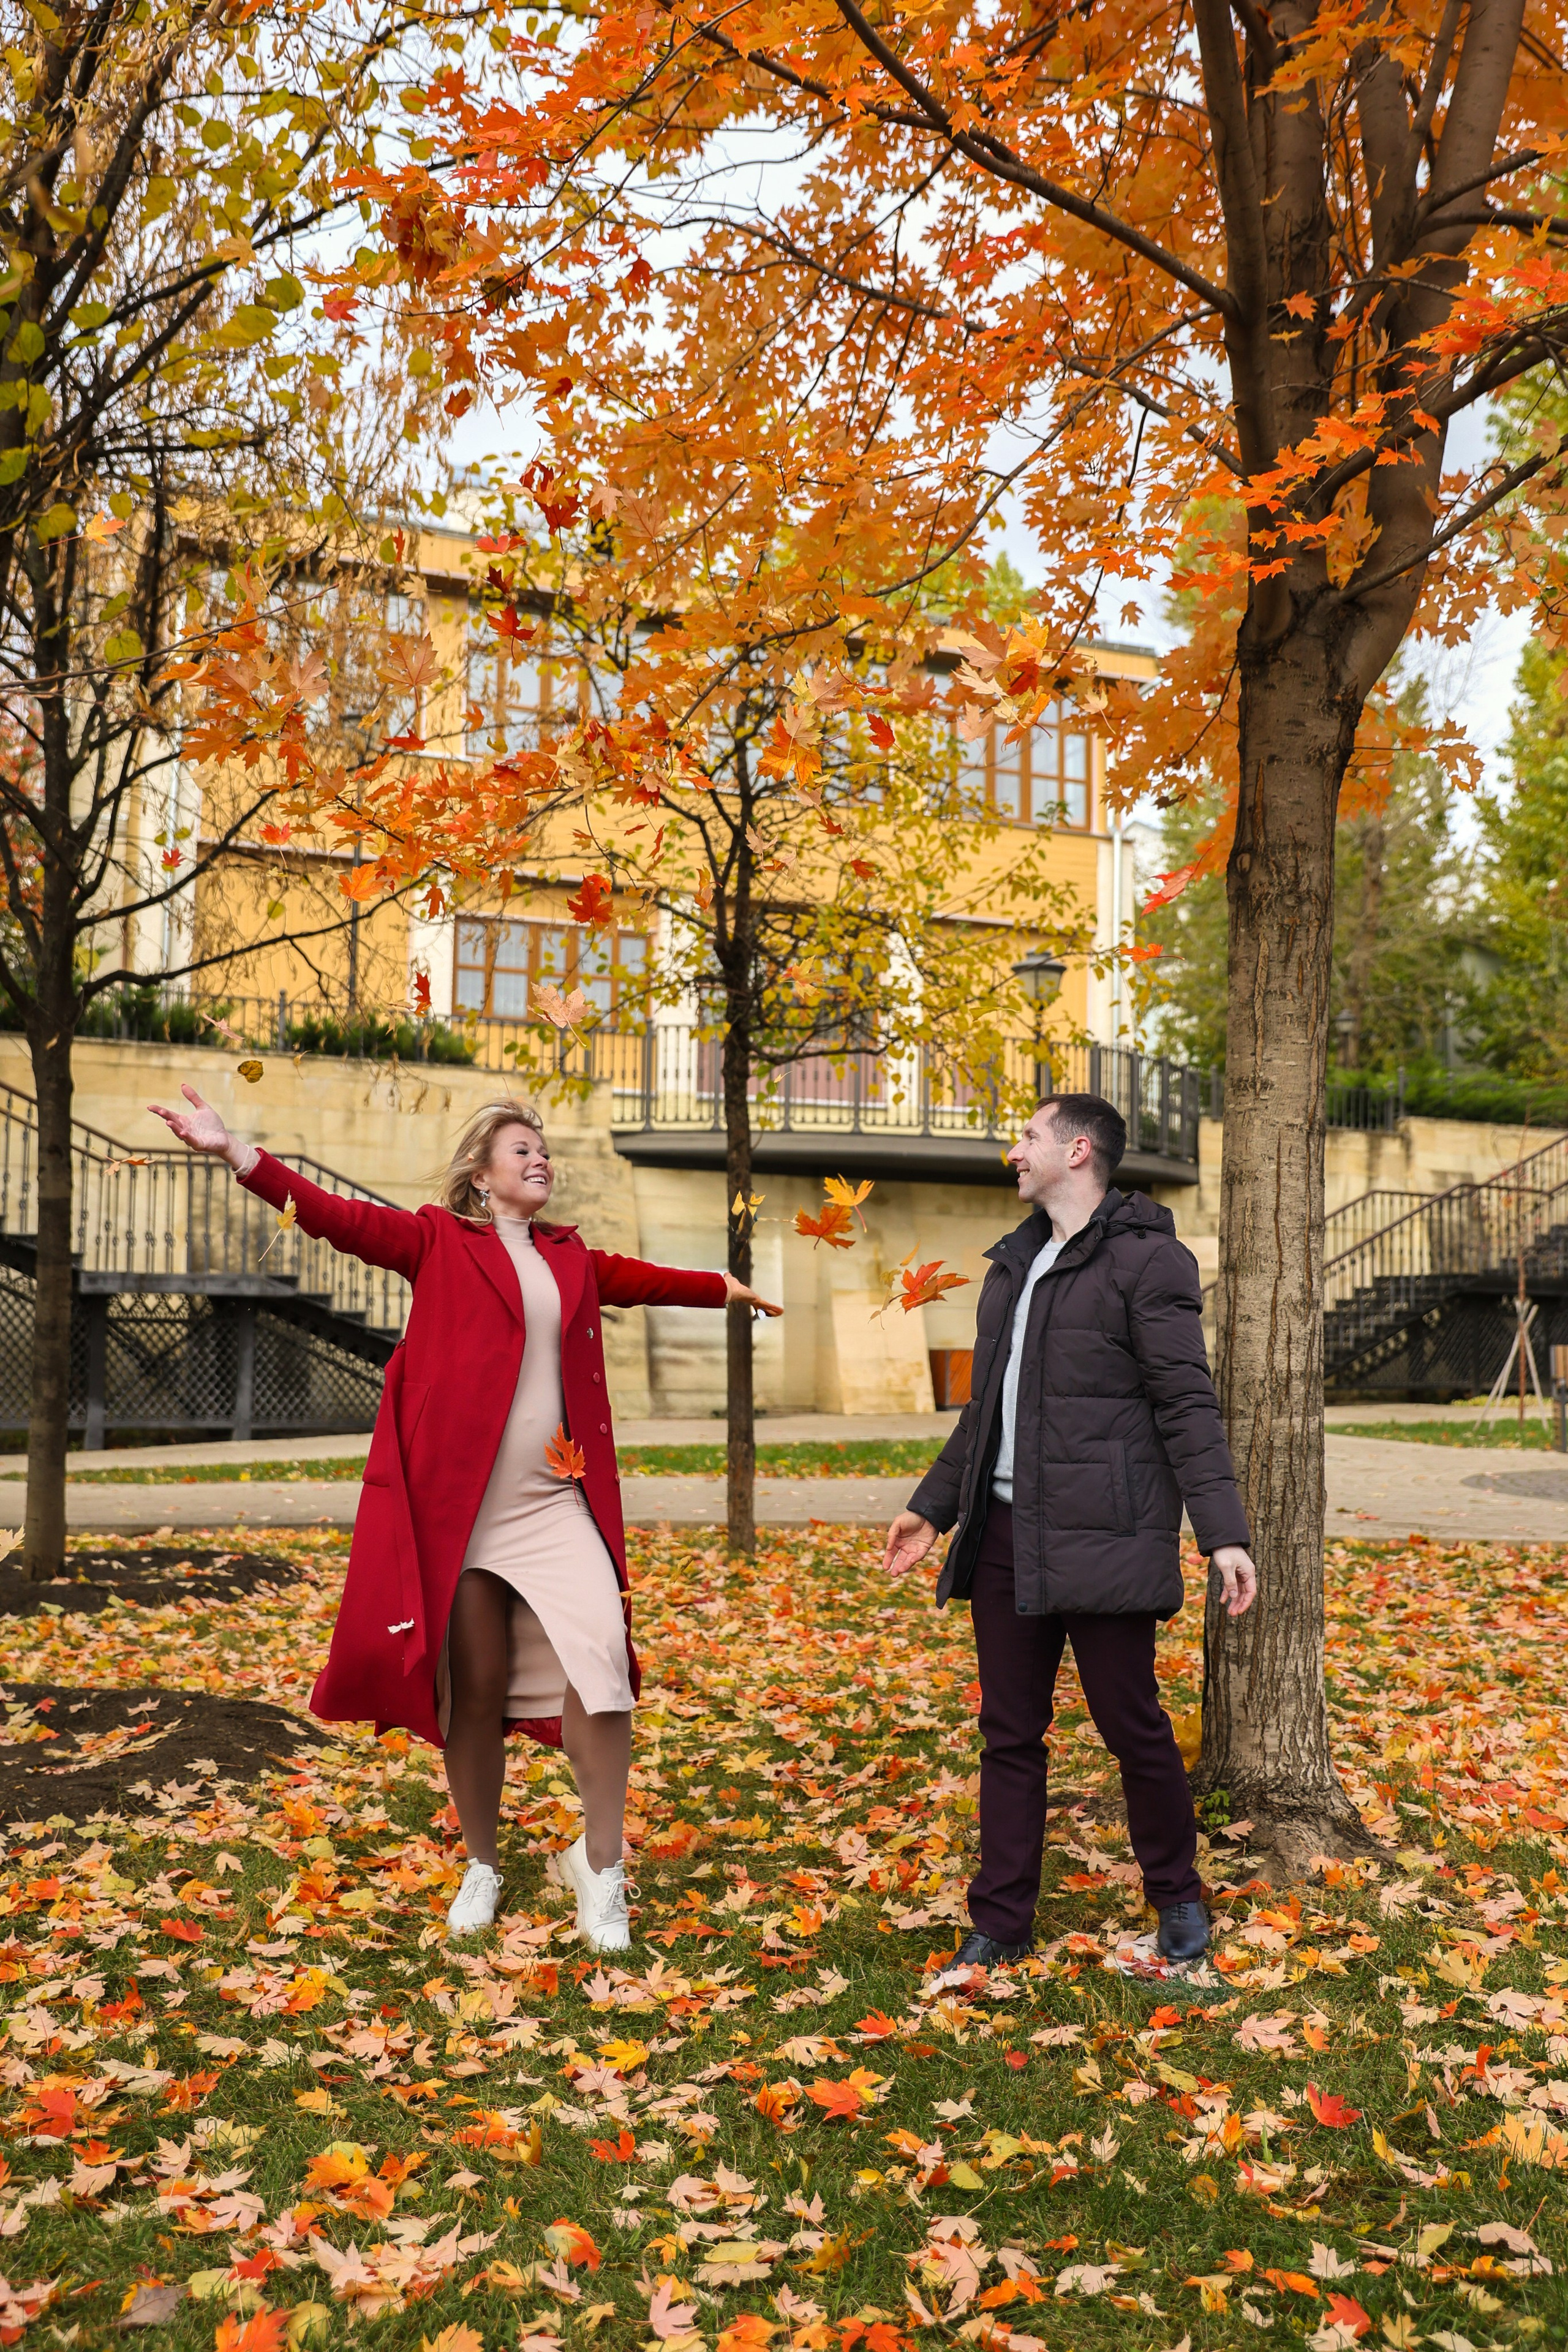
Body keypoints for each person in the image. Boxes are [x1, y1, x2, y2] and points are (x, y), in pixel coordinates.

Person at [149, 1085, 780, 1945]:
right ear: (481, 1176)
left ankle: (601, 1869)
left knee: (601, 1658)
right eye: (521, 1149)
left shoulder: (569, 1256)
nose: (540, 1159)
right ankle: (482, 1864)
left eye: (543, 1147)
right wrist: (237, 1154)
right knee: (474, 1690)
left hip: (558, 1502)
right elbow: (337, 1219)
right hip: (467, 1515)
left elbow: (639, 1280)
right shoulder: (435, 1240)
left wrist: (726, 1288)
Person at [882, 1093, 1255, 1967]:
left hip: (1106, 1535)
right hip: (1007, 1537)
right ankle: (1000, 1925)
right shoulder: (1014, 1263)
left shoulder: (1149, 1262)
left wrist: (1222, 1532)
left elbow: (1186, 1403)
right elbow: (987, 1413)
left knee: (1134, 1728)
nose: (1013, 1151)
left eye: (1028, 1137)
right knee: (1009, 1733)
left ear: (1078, 1150)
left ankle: (1179, 1907)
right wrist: (933, 1508)